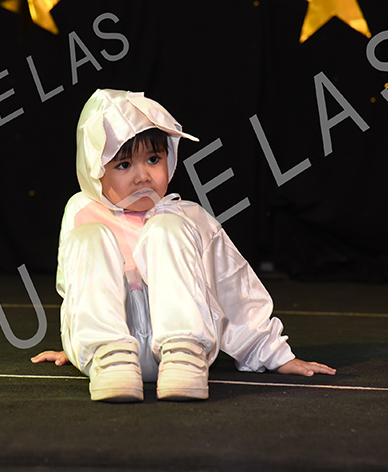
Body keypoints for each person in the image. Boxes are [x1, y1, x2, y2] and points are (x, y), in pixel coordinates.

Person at [32, 89, 335, 402]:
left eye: (153, 159)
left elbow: (231, 285)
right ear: (94, 169)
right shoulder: (82, 212)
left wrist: (273, 353)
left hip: (180, 352)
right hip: (110, 354)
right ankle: (107, 354)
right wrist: (79, 343)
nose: (142, 177)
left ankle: (183, 358)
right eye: (123, 165)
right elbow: (75, 287)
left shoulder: (187, 217)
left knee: (169, 227)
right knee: (89, 237)